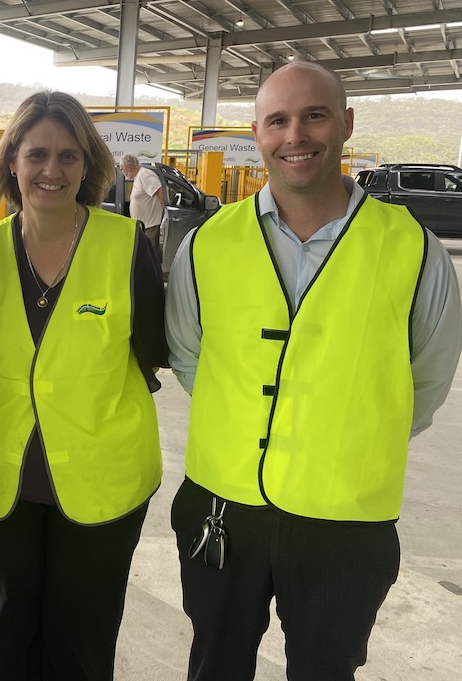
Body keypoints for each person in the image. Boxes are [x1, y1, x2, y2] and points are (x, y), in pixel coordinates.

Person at [165, 60, 462, 681]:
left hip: (346, 522)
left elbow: (428, 378)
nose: (295, 135)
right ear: (258, 133)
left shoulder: (411, 248)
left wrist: (349, 438)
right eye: (278, 121)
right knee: (214, 664)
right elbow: (190, 358)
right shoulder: (208, 243)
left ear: (346, 124)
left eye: (314, 116)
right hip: (225, 508)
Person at [0, 91, 167, 680]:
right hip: (5, 478)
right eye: (37, 155)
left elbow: (153, 351)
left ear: (89, 165)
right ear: (12, 164)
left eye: (69, 156)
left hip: (105, 477)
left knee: (82, 638)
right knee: (9, 630)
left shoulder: (126, 247)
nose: (52, 170)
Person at [120, 153, 164, 258]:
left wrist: (165, 214)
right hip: (145, 225)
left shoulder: (145, 175)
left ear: (129, 167)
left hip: (151, 225)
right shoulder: (139, 176)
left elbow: (159, 191)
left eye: (122, 169)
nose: (122, 172)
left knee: (150, 256)